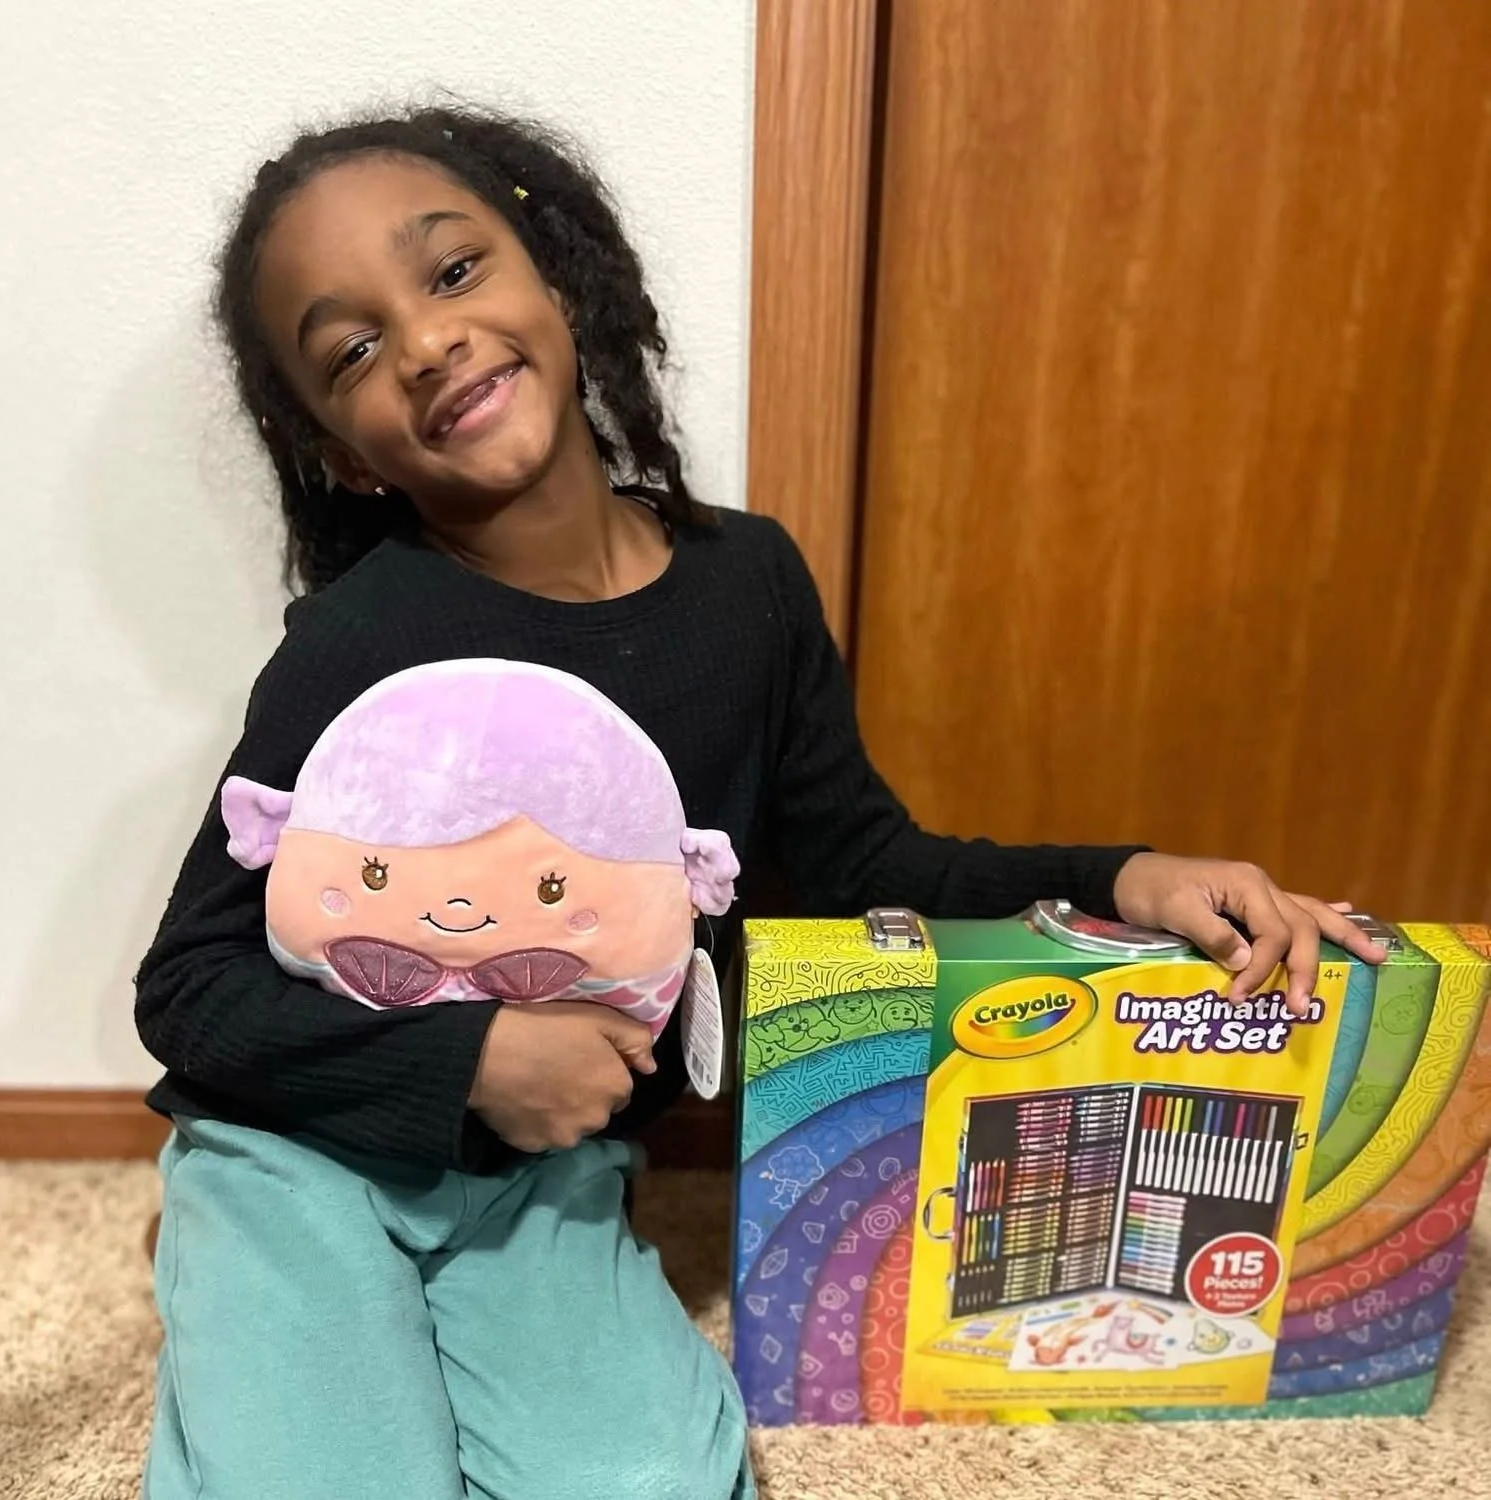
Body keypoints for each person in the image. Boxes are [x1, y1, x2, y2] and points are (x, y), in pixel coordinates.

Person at [133, 105, 1386, 1500]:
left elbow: (864, 866)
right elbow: (189, 986)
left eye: (454, 271)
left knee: (657, 1483)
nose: (427, 341)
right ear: (347, 454)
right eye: (354, 351)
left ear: (557, 278)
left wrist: (1125, 876)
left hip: (543, 1176)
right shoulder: (360, 640)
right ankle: (234, 1250)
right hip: (300, 1152)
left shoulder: (750, 588)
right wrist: (470, 1058)